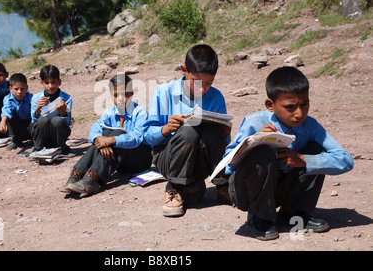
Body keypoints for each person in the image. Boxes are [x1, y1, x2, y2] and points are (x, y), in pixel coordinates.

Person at [224, 66, 354, 241]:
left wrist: (303, 160)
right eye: (290, 107)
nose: (299, 113)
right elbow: (227, 166)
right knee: (261, 153)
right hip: (247, 192)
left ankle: (292, 212)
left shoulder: (311, 126)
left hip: (281, 188)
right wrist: (255, 142)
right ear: (270, 105)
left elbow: (345, 160)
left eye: (305, 104)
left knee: (317, 151)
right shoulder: (254, 123)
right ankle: (259, 216)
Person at [143, 44, 230, 217]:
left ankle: (222, 186)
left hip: (200, 160)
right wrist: (166, 129)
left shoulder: (216, 96)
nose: (203, 89)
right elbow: (146, 136)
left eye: (209, 82)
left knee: (215, 132)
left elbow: (223, 143)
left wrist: (224, 134)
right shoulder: (164, 92)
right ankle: (174, 188)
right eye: (197, 82)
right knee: (189, 130)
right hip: (169, 158)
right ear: (184, 70)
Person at [60, 73, 152, 196]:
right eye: (116, 95)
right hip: (120, 163)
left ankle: (93, 179)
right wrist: (100, 140)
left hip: (139, 161)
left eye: (124, 94)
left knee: (117, 133)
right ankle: (78, 174)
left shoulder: (140, 113)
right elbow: (96, 127)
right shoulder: (110, 111)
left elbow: (137, 137)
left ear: (131, 94)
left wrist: (112, 140)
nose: (120, 98)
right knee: (102, 134)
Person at [30, 65, 73, 155]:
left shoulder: (66, 98)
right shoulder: (36, 98)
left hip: (58, 135)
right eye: (47, 83)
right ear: (42, 83)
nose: (50, 86)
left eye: (53, 82)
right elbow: (34, 122)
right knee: (43, 120)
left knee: (57, 120)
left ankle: (62, 148)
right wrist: (38, 109)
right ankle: (38, 148)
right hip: (42, 135)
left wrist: (63, 113)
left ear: (59, 82)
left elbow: (68, 123)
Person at [0, 73, 33, 151]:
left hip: (29, 125)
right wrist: (2, 122)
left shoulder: (30, 97)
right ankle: (16, 140)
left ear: (26, 88)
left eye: (22, 88)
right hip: (17, 126)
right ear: (10, 89)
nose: (19, 92)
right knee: (9, 116)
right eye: (16, 89)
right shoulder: (8, 98)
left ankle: (35, 139)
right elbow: (7, 109)